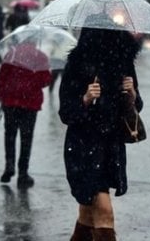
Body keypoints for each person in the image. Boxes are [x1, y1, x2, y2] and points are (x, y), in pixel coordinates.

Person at [58, 17, 143, 241]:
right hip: (83, 146)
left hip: (110, 147)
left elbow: (136, 106)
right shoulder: (77, 64)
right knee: (104, 212)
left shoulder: (123, 62)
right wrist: (85, 99)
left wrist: (132, 95)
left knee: (87, 215)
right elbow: (66, 112)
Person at [0, 40, 52, 188]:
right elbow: (46, 81)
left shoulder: (11, 54)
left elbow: (2, 76)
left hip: (11, 101)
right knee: (26, 138)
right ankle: (22, 174)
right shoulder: (40, 57)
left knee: (10, 134)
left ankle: (9, 165)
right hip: (30, 104)